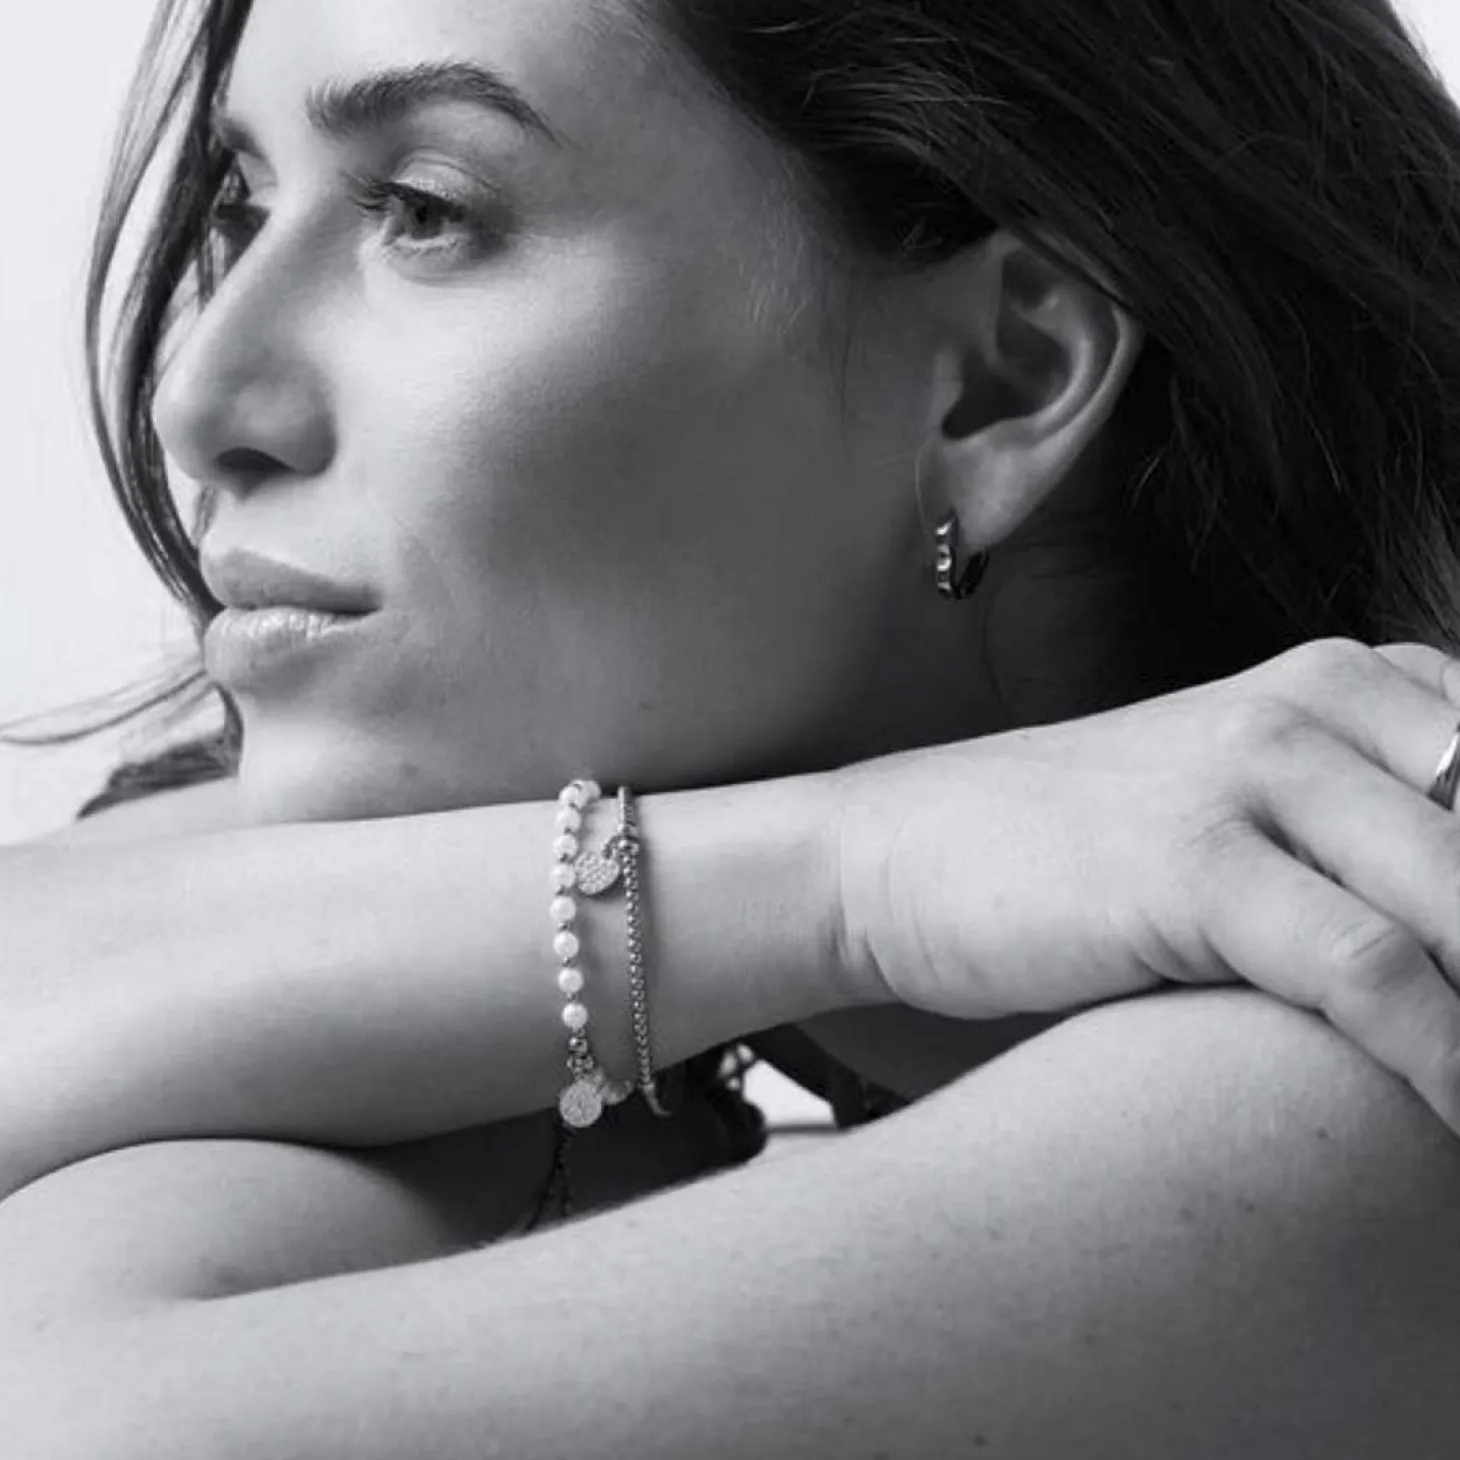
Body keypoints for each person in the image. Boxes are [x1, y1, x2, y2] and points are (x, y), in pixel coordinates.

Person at [6, 0, 1460, 1452]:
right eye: (242, 208)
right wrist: (845, 871)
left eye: (428, 211)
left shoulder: (1374, 1004)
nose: (200, 397)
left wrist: (761, 926)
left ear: (999, 377)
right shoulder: (541, 849)